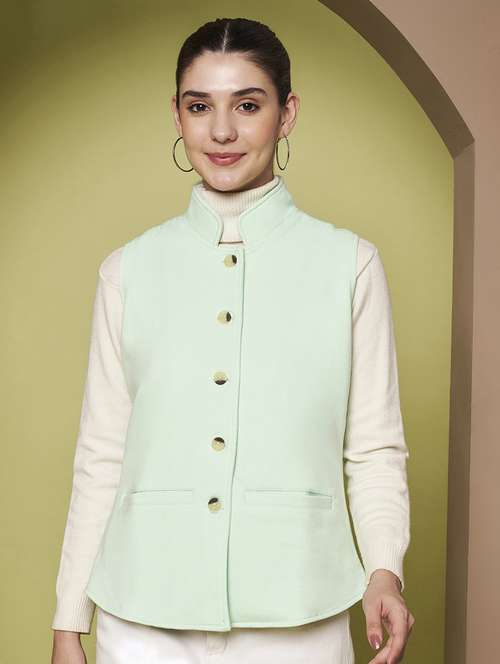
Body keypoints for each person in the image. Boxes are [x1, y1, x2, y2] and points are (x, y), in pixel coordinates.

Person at [51, 16, 414, 664]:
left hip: (301, 608)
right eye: (200, 107)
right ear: (177, 115)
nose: (221, 131)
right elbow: (101, 455)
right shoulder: (127, 270)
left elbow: (374, 447)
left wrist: (384, 569)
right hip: (141, 619)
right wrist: (67, 619)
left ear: (286, 114)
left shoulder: (350, 264)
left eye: (247, 105)